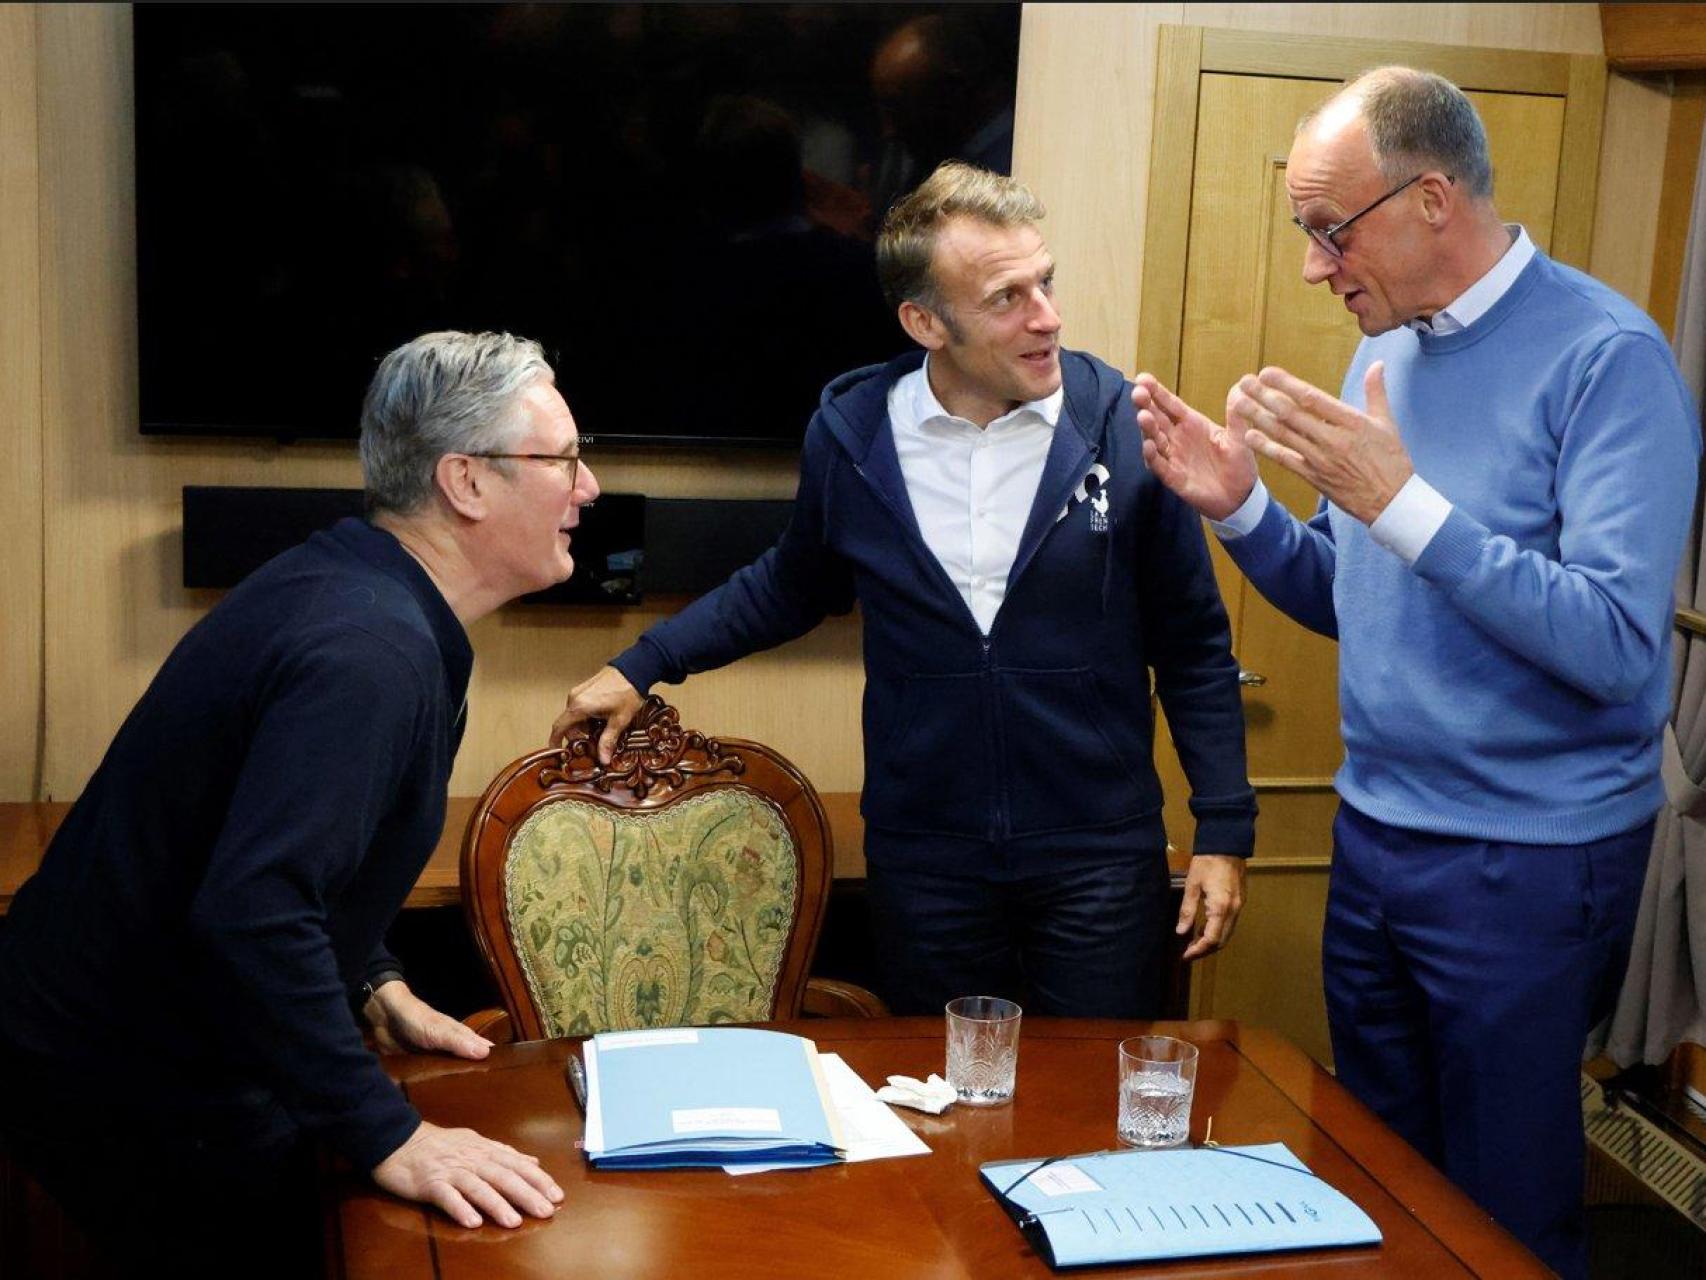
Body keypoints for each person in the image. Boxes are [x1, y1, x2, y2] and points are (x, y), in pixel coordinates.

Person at [1131, 68, 1699, 1280]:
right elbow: (1363, 598)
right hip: (1377, 837)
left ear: (1430, 198)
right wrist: (1238, 513)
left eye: (1327, 230)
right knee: (1382, 1179)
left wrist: (1401, 502)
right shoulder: (1385, 352)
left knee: (1501, 1206)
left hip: (1527, 860)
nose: (1310, 267)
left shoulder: (1607, 359)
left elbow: (1610, 644)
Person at [555, 162, 1256, 1020]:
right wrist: (643, 663)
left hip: (1098, 862)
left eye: (1046, 282)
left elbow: (1191, 645)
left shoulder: (1122, 423)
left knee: (1091, 1114)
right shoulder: (853, 433)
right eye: (1007, 298)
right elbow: (790, 584)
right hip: (928, 866)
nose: (1048, 317)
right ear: (925, 321)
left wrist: (1224, 832)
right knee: (948, 1110)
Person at [0, 331, 597, 1273]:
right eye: (562, 457)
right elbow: (254, 909)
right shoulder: (368, 652)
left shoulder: (364, 590)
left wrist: (371, 979)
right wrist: (389, 1133)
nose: (587, 486)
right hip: (124, 1074)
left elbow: (292, 856)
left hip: (145, 1045)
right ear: (465, 482)